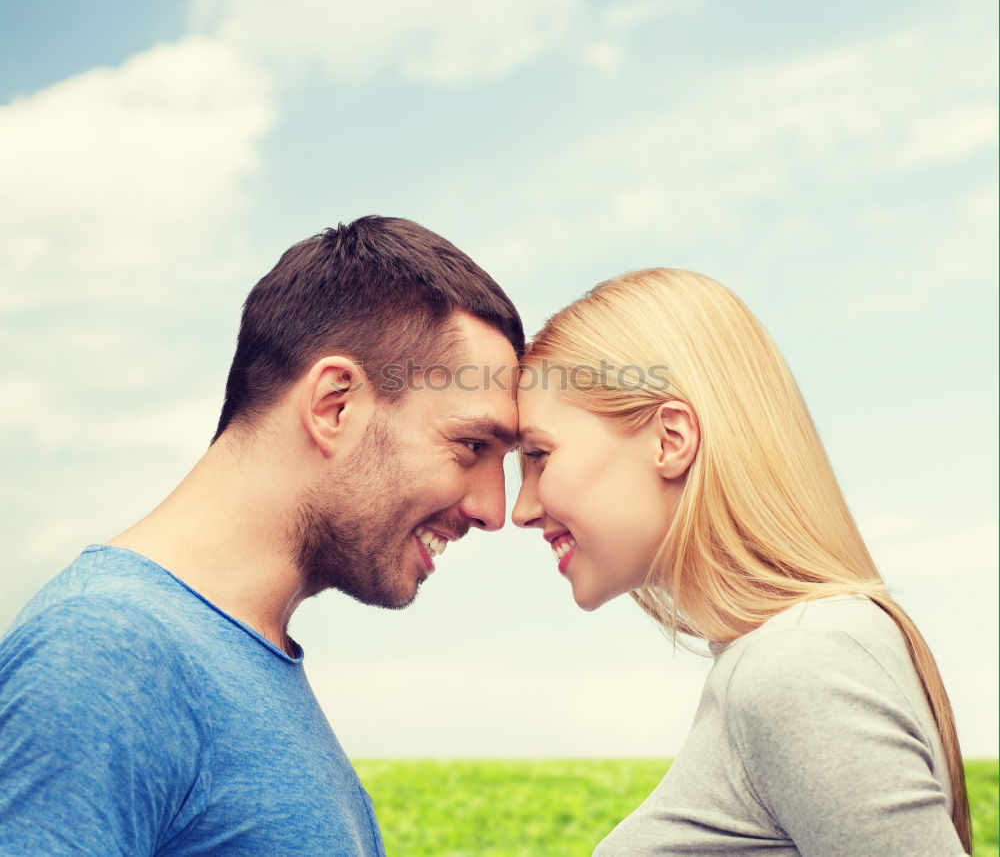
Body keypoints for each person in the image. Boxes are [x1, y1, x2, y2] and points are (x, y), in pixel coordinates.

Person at [0, 216, 522, 856]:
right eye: (471, 445)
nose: (494, 509)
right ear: (336, 405)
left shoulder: (244, 660)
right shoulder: (104, 651)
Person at [513, 268, 972, 856]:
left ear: (670, 439)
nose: (522, 508)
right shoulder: (799, 652)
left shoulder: (800, 665)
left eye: (538, 456)